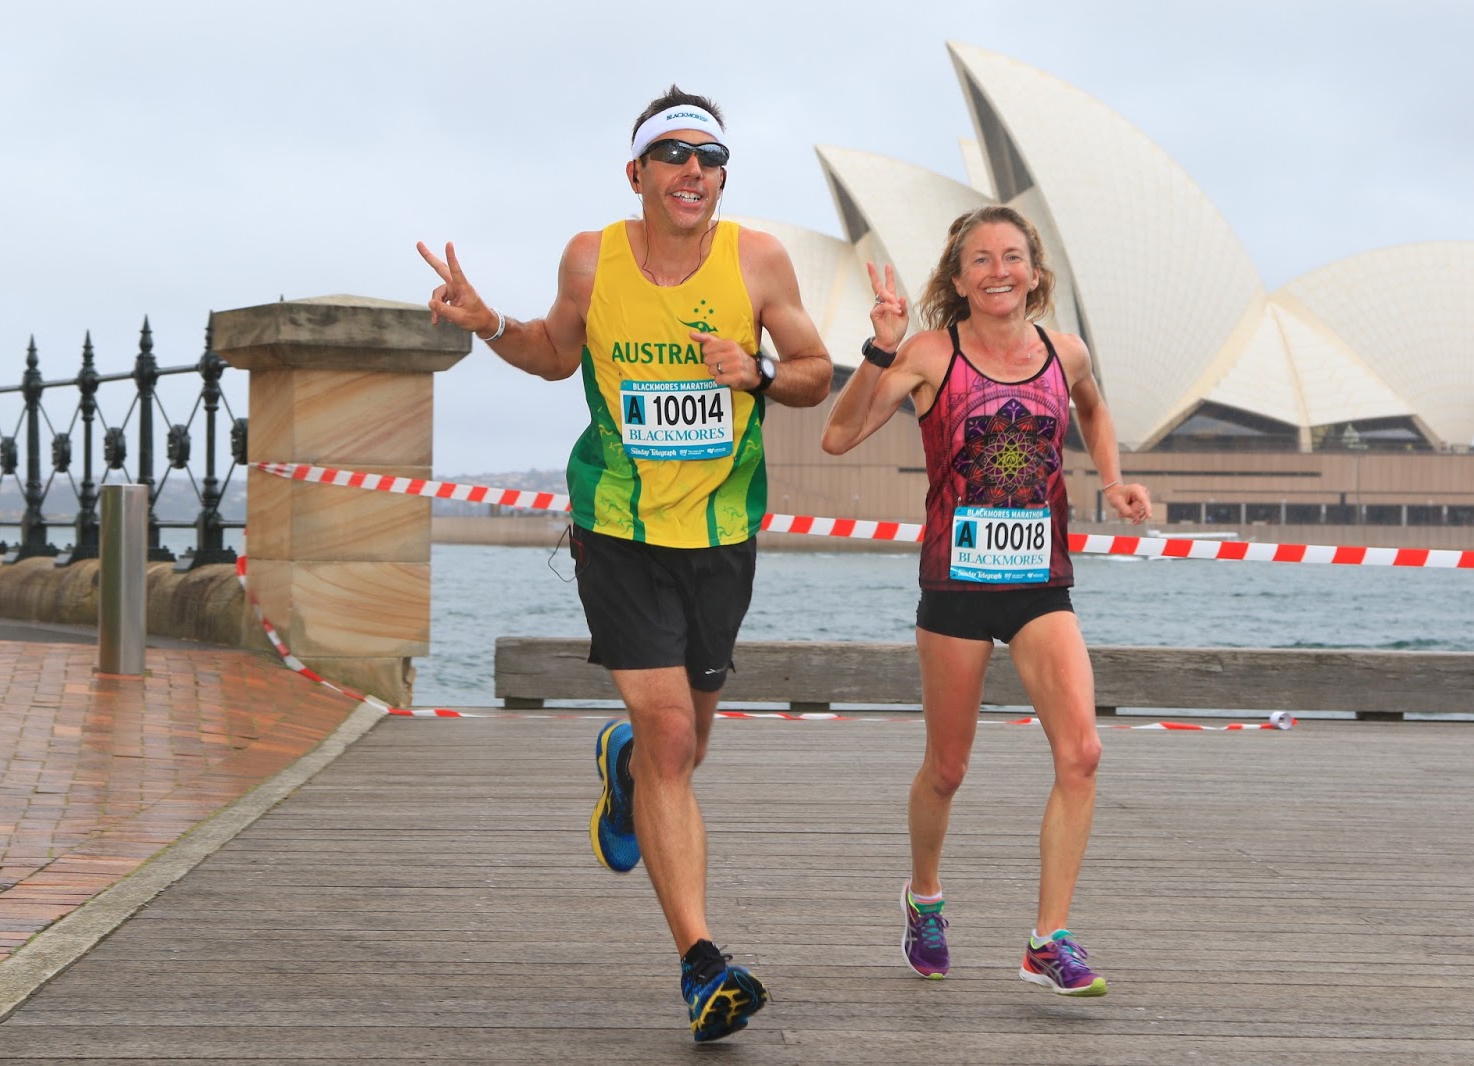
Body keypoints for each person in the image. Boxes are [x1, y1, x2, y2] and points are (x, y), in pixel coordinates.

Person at [418, 86, 831, 1042]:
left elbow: (815, 373)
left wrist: (759, 372)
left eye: (712, 158)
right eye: (675, 154)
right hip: (618, 529)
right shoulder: (592, 257)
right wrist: (488, 322)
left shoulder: (758, 261)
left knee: (684, 747)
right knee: (675, 743)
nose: (696, 171)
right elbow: (556, 355)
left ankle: (622, 763)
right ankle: (702, 966)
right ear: (636, 171)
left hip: (722, 537)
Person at [821, 205, 1150, 995]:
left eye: (1012, 256)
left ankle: (1048, 939)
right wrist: (880, 349)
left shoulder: (1063, 353)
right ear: (958, 277)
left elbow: (1095, 408)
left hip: (1041, 585)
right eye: (981, 259)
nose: (998, 271)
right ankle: (924, 898)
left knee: (1083, 753)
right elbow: (839, 436)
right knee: (948, 767)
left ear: (1035, 272)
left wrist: (1112, 479)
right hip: (956, 587)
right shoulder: (932, 353)